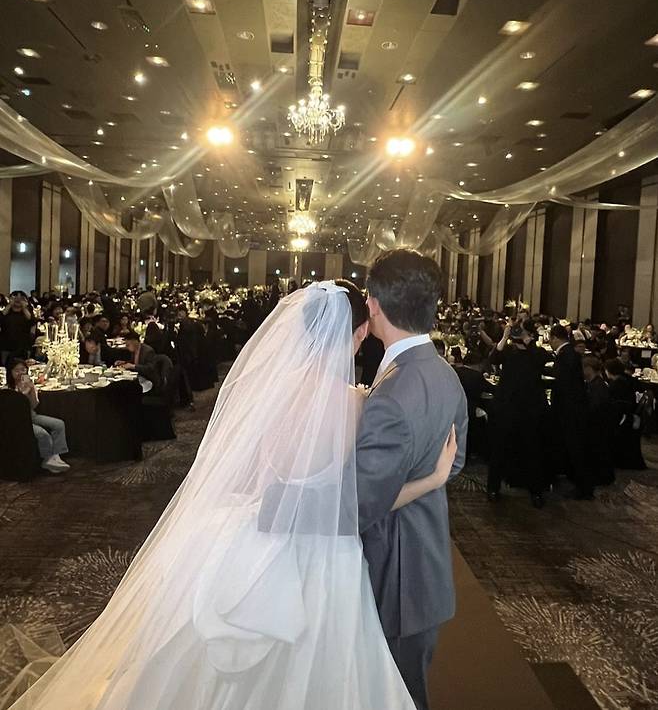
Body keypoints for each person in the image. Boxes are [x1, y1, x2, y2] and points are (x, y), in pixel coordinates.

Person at [5, 280, 457, 710]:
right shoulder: (355, 404)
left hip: (253, 531)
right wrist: (431, 480)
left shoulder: (270, 393)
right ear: (356, 333)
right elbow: (353, 502)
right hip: (318, 549)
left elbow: (260, 474)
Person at [356, 250, 468, 710]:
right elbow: (454, 464)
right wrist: (429, 480)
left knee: (393, 692)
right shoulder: (445, 374)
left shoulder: (396, 391)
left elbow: (358, 505)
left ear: (375, 304)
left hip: (395, 571)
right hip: (425, 557)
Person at [488, 321, 549, 507]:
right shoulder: (508, 352)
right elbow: (493, 358)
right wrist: (505, 336)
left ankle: (536, 491)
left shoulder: (537, 353)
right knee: (499, 448)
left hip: (529, 409)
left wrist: (527, 340)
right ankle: (493, 488)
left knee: (533, 450)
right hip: (507, 407)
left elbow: (541, 359)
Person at [549, 324, 594, 499]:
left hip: (571, 410)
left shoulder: (566, 355)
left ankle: (584, 488)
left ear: (554, 338)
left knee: (576, 449)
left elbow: (564, 383)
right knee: (572, 447)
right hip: (572, 408)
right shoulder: (570, 354)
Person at [6, 357, 70, 474]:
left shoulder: (28, 384)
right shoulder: (8, 389)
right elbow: (15, 408)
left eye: (23, 370)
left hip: (32, 415)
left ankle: (56, 456)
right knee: (42, 434)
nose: (20, 373)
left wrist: (32, 391)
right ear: (10, 372)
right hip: (18, 419)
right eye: (16, 370)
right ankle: (48, 459)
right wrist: (23, 393)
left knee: (59, 424)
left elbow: (34, 405)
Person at [582, 356, 615, 486]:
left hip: (598, 427)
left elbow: (594, 408)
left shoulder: (598, 386)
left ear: (589, 369)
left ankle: (599, 477)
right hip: (600, 425)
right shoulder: (595, 383)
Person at [1, 291, 36, 365]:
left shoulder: (28, 312)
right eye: (15, 297)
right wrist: (9, 305)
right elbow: (1, 318)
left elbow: (31, 321)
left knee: (23, 367)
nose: (18, 299)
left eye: (21, 298)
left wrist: (24, 307)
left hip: (23, 346)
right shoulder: (6, 311)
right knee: (5, 367)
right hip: (6, 345)